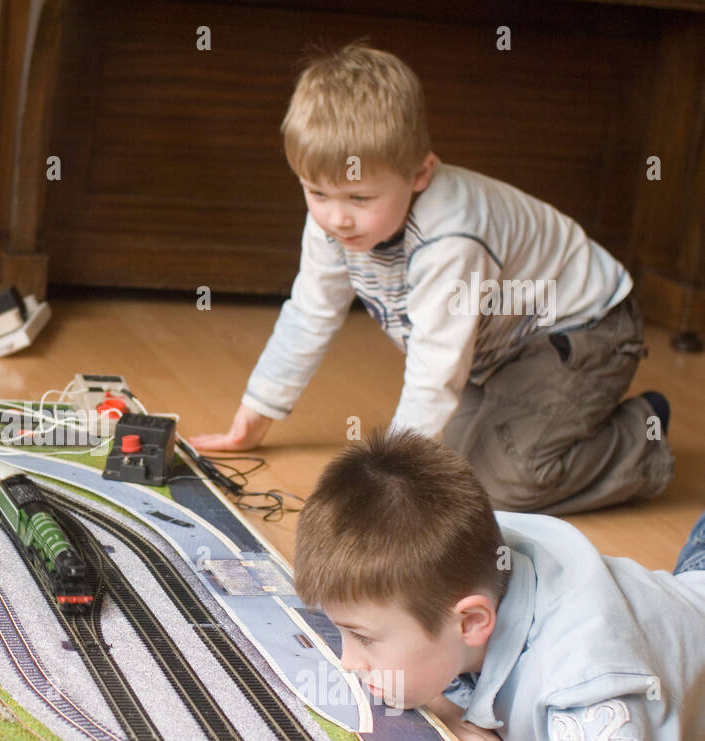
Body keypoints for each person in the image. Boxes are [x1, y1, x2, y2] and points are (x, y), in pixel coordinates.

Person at [189, 42, 674, 515]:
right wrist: (255, 416)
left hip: (583, 331)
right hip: (500, 351)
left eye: (359, 199)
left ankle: (641, 436)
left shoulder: (451, 238)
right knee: (455, 467)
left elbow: (435, 367)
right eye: (317, 192)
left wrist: (392, 492)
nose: (337, 218)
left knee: (503, 485)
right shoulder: (333, 220)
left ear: (420, 174)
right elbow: (310, 312)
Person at [293, 429, 705, 741]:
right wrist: (445, 709)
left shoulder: (589, 680)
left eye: (363, 638)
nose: (346, 661)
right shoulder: (461, 555)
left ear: (472, 621)